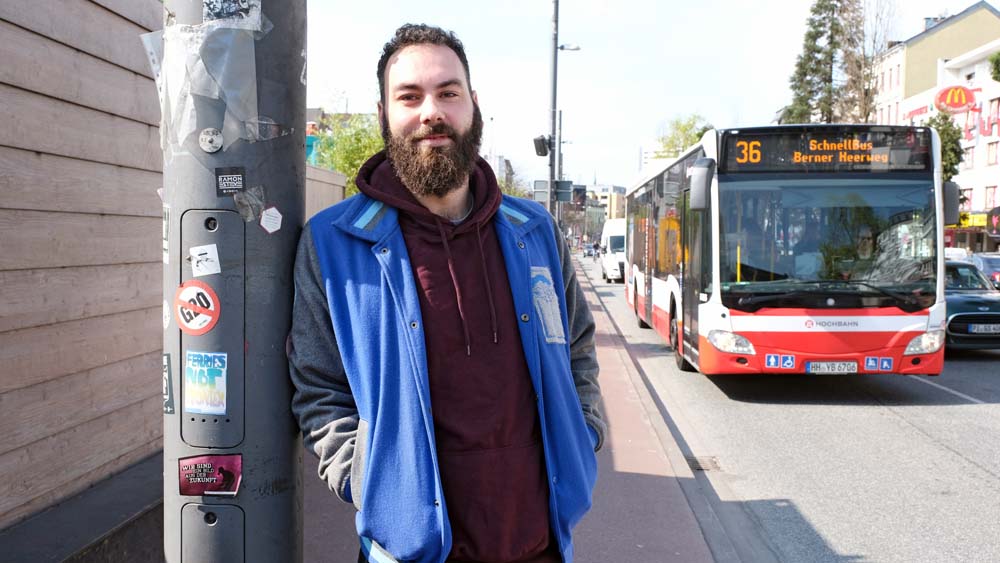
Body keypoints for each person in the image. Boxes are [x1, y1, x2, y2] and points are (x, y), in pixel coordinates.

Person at [287, 24, 605, 563]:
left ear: (473, 105)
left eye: (448, 92)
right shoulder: (334, 243)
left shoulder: (536, 232)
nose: (431, 111)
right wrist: (369, 480)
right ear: (384, 113)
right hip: (409, 553)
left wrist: (584, 432)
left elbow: (576, 347)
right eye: (409, 96)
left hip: (540, 544)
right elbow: (319, 388)